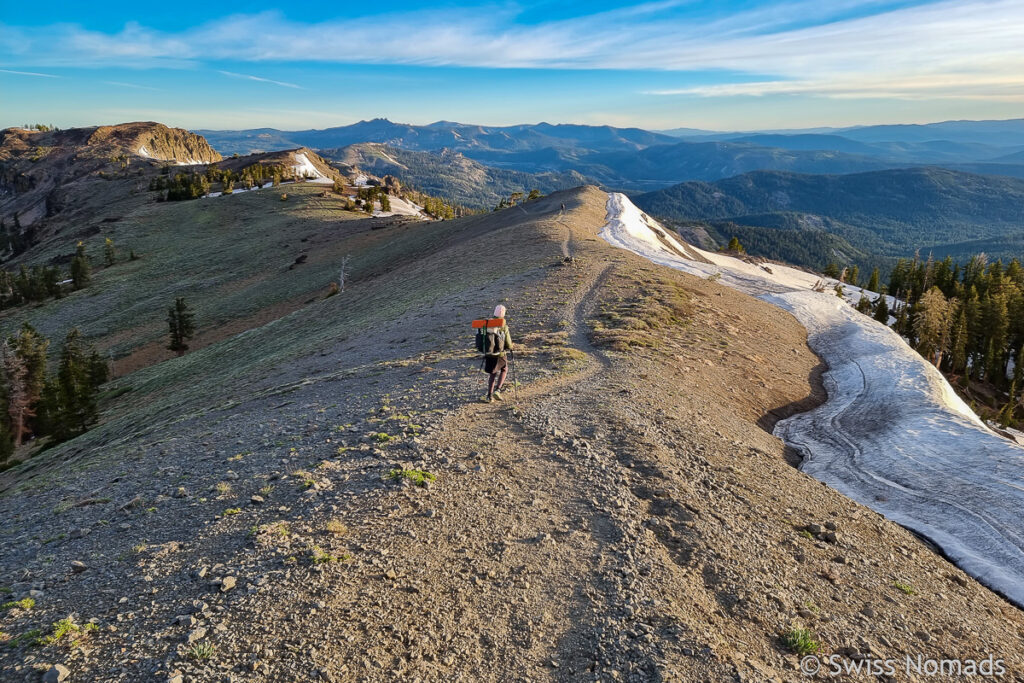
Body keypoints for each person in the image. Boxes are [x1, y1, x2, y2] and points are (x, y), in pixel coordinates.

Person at [482, 304, 513, 402]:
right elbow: (508, 342)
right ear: (503, 314)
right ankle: (498, 390)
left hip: (489, 353)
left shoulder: (487, 323)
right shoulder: (503, 325)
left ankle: (489, 396)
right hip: (500, 353)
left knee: (492, 373)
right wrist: (511, 347)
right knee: (504, 369)